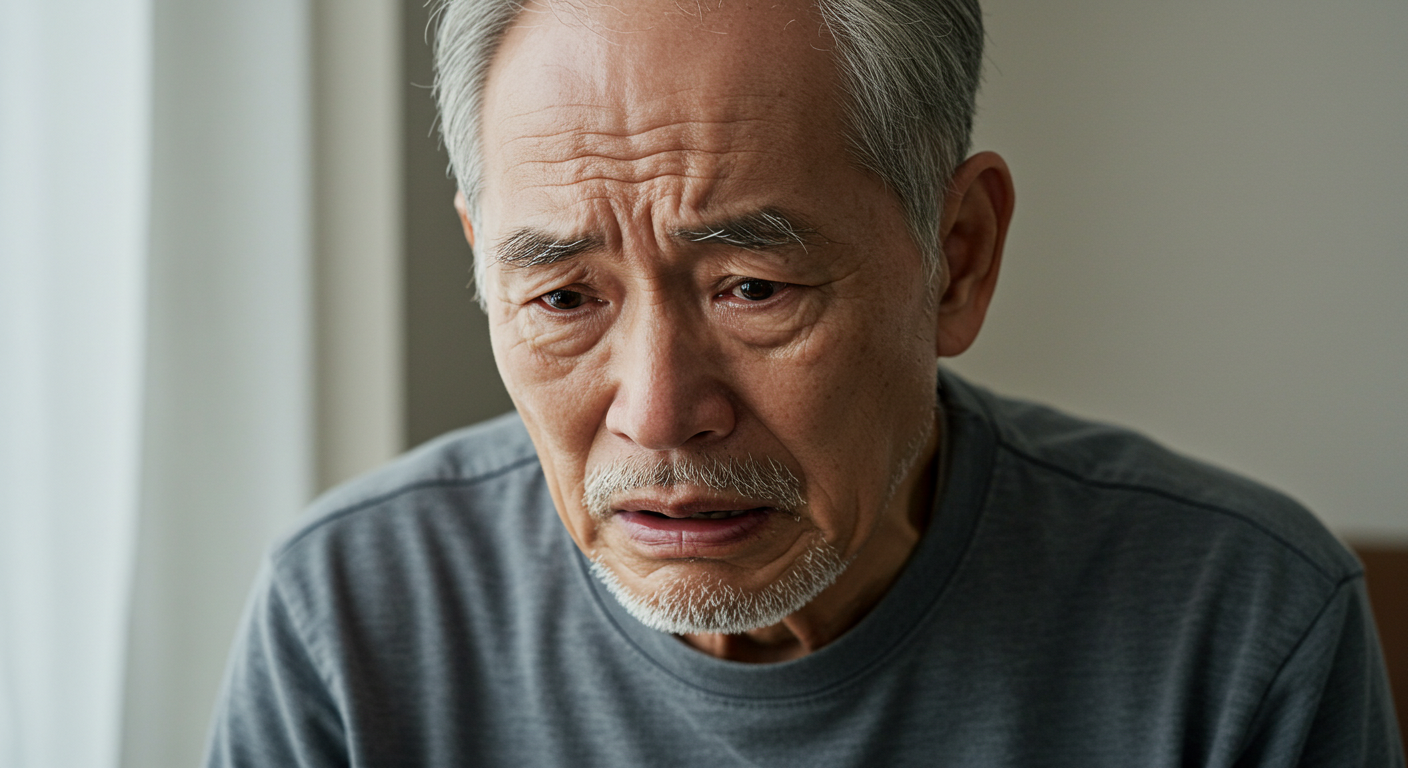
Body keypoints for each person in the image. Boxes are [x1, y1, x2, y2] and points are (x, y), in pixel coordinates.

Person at [205, 0, 1402, 765]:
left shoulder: (1240, 624)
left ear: (957, 258)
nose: (657, 414)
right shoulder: (348, 615)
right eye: (564, 298)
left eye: (752, 287)